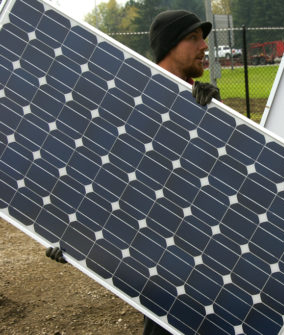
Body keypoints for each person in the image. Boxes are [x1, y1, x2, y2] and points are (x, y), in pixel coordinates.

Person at [47, 9, 221, 335]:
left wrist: (216, 119)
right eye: (193, 38)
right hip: (154, 245)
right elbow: (104, 172)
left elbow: (225, 176)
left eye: (204, 39)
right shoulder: (131, 100)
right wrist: (66, 233)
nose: (204, 47)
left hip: (199, 240)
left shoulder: (205, 104)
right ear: (170, 45)